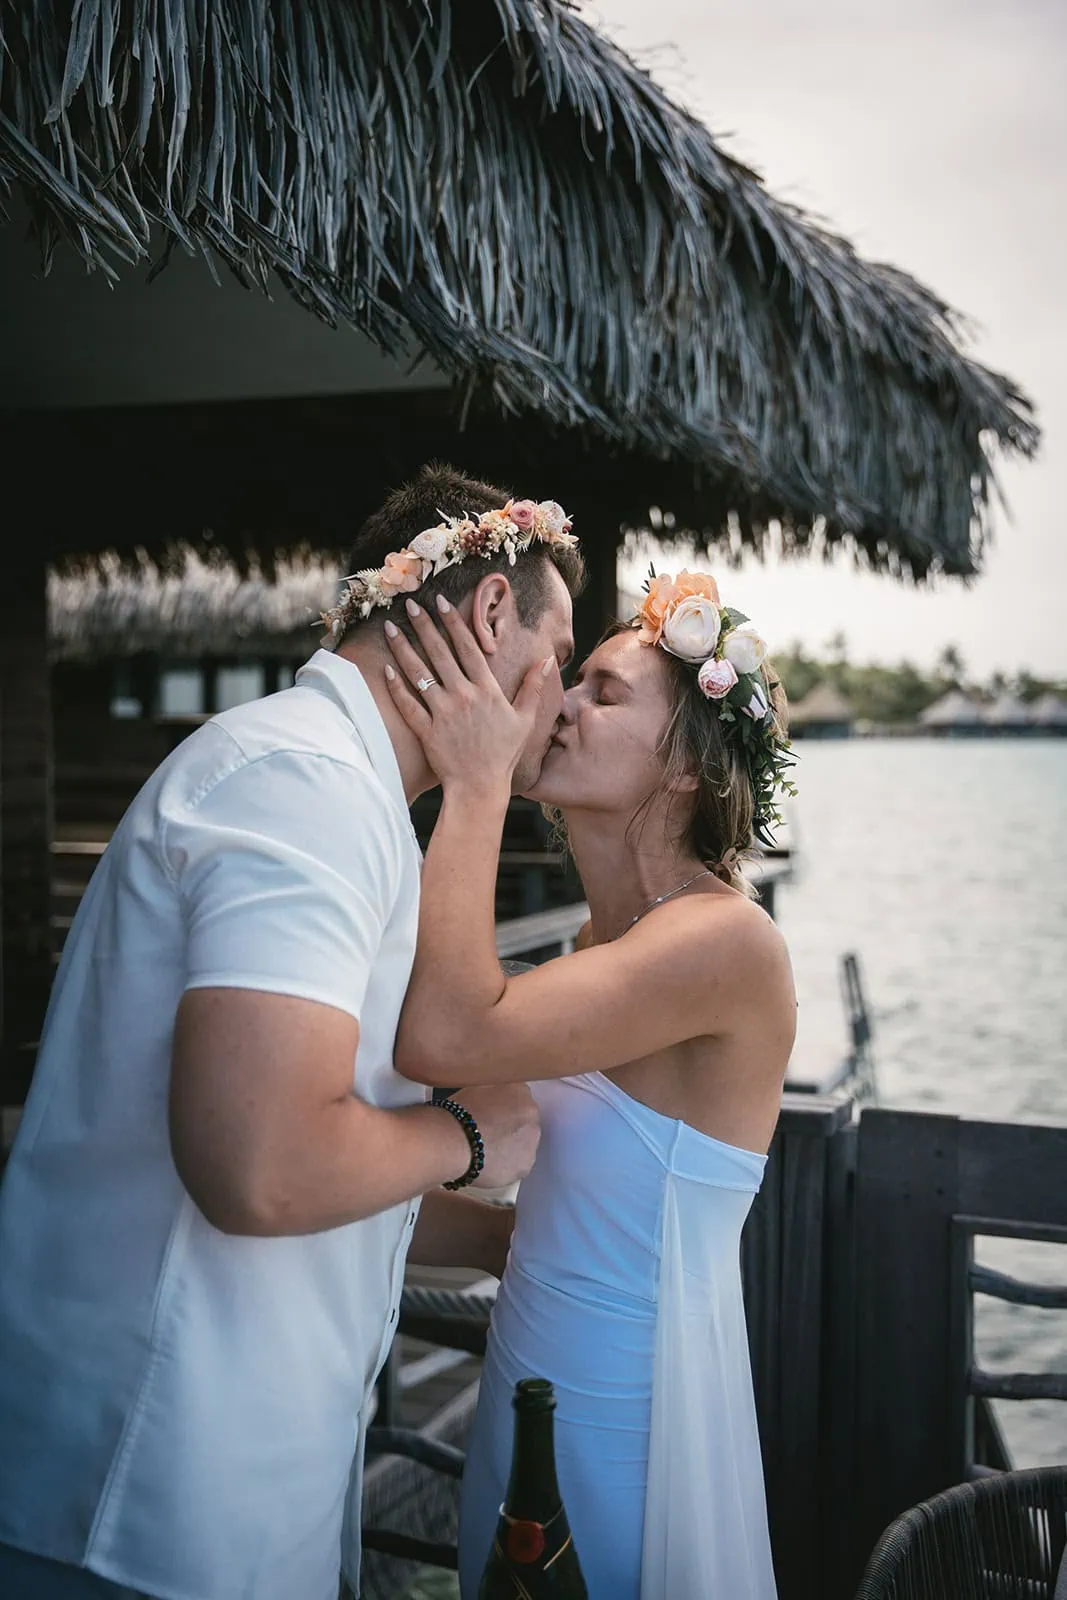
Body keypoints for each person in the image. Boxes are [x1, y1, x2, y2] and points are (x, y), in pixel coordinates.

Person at [0, 465, 583, 1600]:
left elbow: (327, 1158)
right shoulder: (302, 786)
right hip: (145, 1488)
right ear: (491, 613)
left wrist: (490, 1241)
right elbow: (263, 1166)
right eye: (558, 655)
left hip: (230, 1485)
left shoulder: (334, 789)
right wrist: (469, 1137)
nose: (559, 701)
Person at [380, 569, 797, 1599]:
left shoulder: (726, 943)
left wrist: (476, 782)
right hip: (523, 1374)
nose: (559, 702)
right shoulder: (595, 945)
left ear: (687, 766)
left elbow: (443, 1033)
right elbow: (560, 1209)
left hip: (625, 1412)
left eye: (602, 692)